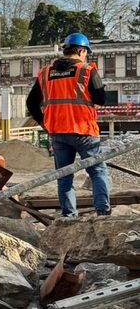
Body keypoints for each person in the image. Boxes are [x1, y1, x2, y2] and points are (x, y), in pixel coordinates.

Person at [26, 32, 110, 216]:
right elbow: (101, 99)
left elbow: (31, 103)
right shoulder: (86, 70)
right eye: (86, 52)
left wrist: (45, 123)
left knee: (64, 177)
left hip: (57, 132)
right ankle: (103, 213)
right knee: (97, 172)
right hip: (84, 130)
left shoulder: (46, 73)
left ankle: (69, 216)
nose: (86, 56)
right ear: (80, 51)